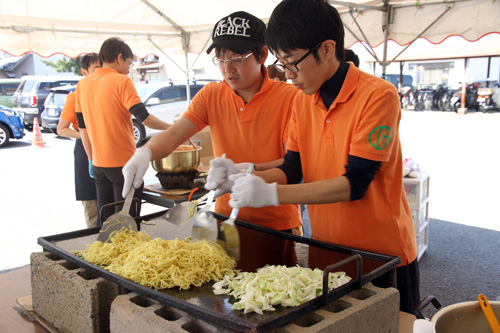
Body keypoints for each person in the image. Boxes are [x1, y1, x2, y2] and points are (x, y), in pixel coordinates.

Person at [209, 0, 420, 314]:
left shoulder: (377, 95)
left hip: (381, 256)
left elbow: (355, 184)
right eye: (281, 63)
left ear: (327, 48)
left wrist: (270, 194)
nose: (289, 74)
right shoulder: (303, 101)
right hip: (326, 251)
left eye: (293, 62)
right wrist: (244, 175)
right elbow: (292, 167)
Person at [121, 11, 302, 244]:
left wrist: (246, 173)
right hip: (225, 219)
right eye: (221, 59)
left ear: (262, 55)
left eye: (237, 58)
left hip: (278, 221)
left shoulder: (290, 98)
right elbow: (174, 134)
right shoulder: (211, 95)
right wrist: (145, 152)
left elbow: (293, 164)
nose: (228, 69)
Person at [75, 37, 170, 224]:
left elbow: (82, 128)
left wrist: (91, 159)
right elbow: (145, 119)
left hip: (99, 165)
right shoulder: (121, 81)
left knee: (105, 220)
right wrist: (174, 128)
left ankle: (103, 252)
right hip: (124, 165)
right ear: (119, 58)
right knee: (127, 222)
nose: (129, 69)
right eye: (129, 63)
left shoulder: (82, 85)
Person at [57, 53, 100, 228]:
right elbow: (62, 129)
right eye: (96, 69)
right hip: (85, 150)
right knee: (91, 200)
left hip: (107, 147)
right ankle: (93, 239)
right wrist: (85, 135)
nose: (100, 73)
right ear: (84, 71)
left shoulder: (106, 92)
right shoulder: (74, 96)